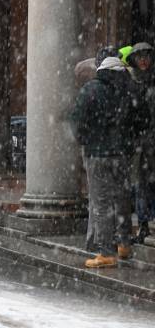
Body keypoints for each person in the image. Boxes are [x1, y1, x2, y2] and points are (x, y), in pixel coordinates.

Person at [71, 57, 140, 268]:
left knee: (100, 202)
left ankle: (106, 252)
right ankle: (125, 244)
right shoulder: (131, 90)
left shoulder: (91, 89)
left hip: (98, 154)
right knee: (122, 198)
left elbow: (77, 120)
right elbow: (141, 120)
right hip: (122, 154)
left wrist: (86, 139)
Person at [124, 42, 155, 244]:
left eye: (146, 55)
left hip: (151, 141)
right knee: (139, 184)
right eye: (139, 56)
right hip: (137, 143)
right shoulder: (129, 84)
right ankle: (144, 224)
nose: (143, 59)